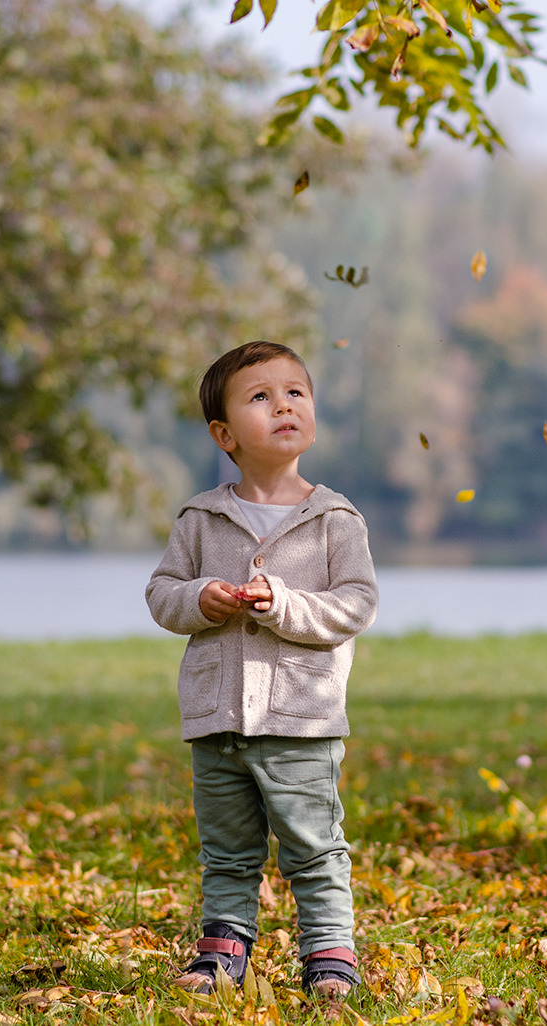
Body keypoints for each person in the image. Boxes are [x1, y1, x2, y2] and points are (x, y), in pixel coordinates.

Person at [146, 340, 378, 1002]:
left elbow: (356, 604)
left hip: (301, 720)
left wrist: (285, 605)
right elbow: (162, 594)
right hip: (217, 721)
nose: (283, 405)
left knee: (314, 845)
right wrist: (200, 599)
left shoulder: (333, 519)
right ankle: (223, 951)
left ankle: (329, 955)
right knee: (227, 849)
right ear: (225, 435)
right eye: (260, 397)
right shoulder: (201, 518)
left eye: (295, 392)